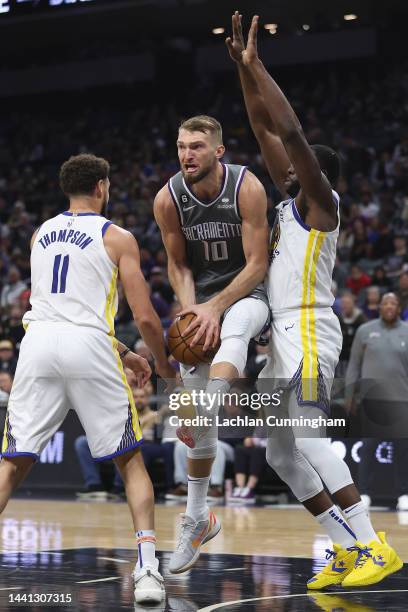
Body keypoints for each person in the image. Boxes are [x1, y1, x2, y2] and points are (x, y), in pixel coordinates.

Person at [226, 12, 402, 589]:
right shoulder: (287, 206)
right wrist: (243, 72)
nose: (289, 168)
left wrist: (262, 66)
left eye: (302, 167)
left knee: (307, 436)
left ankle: (374, 545)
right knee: (279, 452)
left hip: (308, 333)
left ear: (319, 174)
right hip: (280, 338)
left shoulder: (322, 207)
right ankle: (344, 548)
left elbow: (291, 135)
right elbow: (263, 131)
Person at [0, 154, 176, 605]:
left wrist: (124, 352)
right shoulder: (117, 237)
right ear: (101, 186)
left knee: (12, 463)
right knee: (130, 461)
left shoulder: (39, 236)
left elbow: (56, 310)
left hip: (37, 345)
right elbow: (143, 316)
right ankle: (149, 570)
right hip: (88, 347)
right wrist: (159, 361)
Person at [154, 114, 270, 573]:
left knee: (235, 332)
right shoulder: (168, 199)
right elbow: (178, 264)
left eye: (197, 146)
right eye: (182, 146)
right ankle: (198, 518)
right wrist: (189, 310)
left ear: (218, 151)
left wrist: (215, 307)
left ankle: (204, 405)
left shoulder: (247, 187)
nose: (187, 154)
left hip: (247, 295)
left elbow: (258, 263)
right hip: (200, 301)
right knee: (200, 439)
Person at [345, 293, 408, 511]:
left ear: (399, 308)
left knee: (402, 450)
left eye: (393, 303)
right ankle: (363, 493)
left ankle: (404, 494)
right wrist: (349, 395)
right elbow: (353, 365)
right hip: (371, 400)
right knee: (369, 448)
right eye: (386, 303)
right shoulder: (365, 331)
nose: (389, 306)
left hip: (401, 399)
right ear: (379, 307)